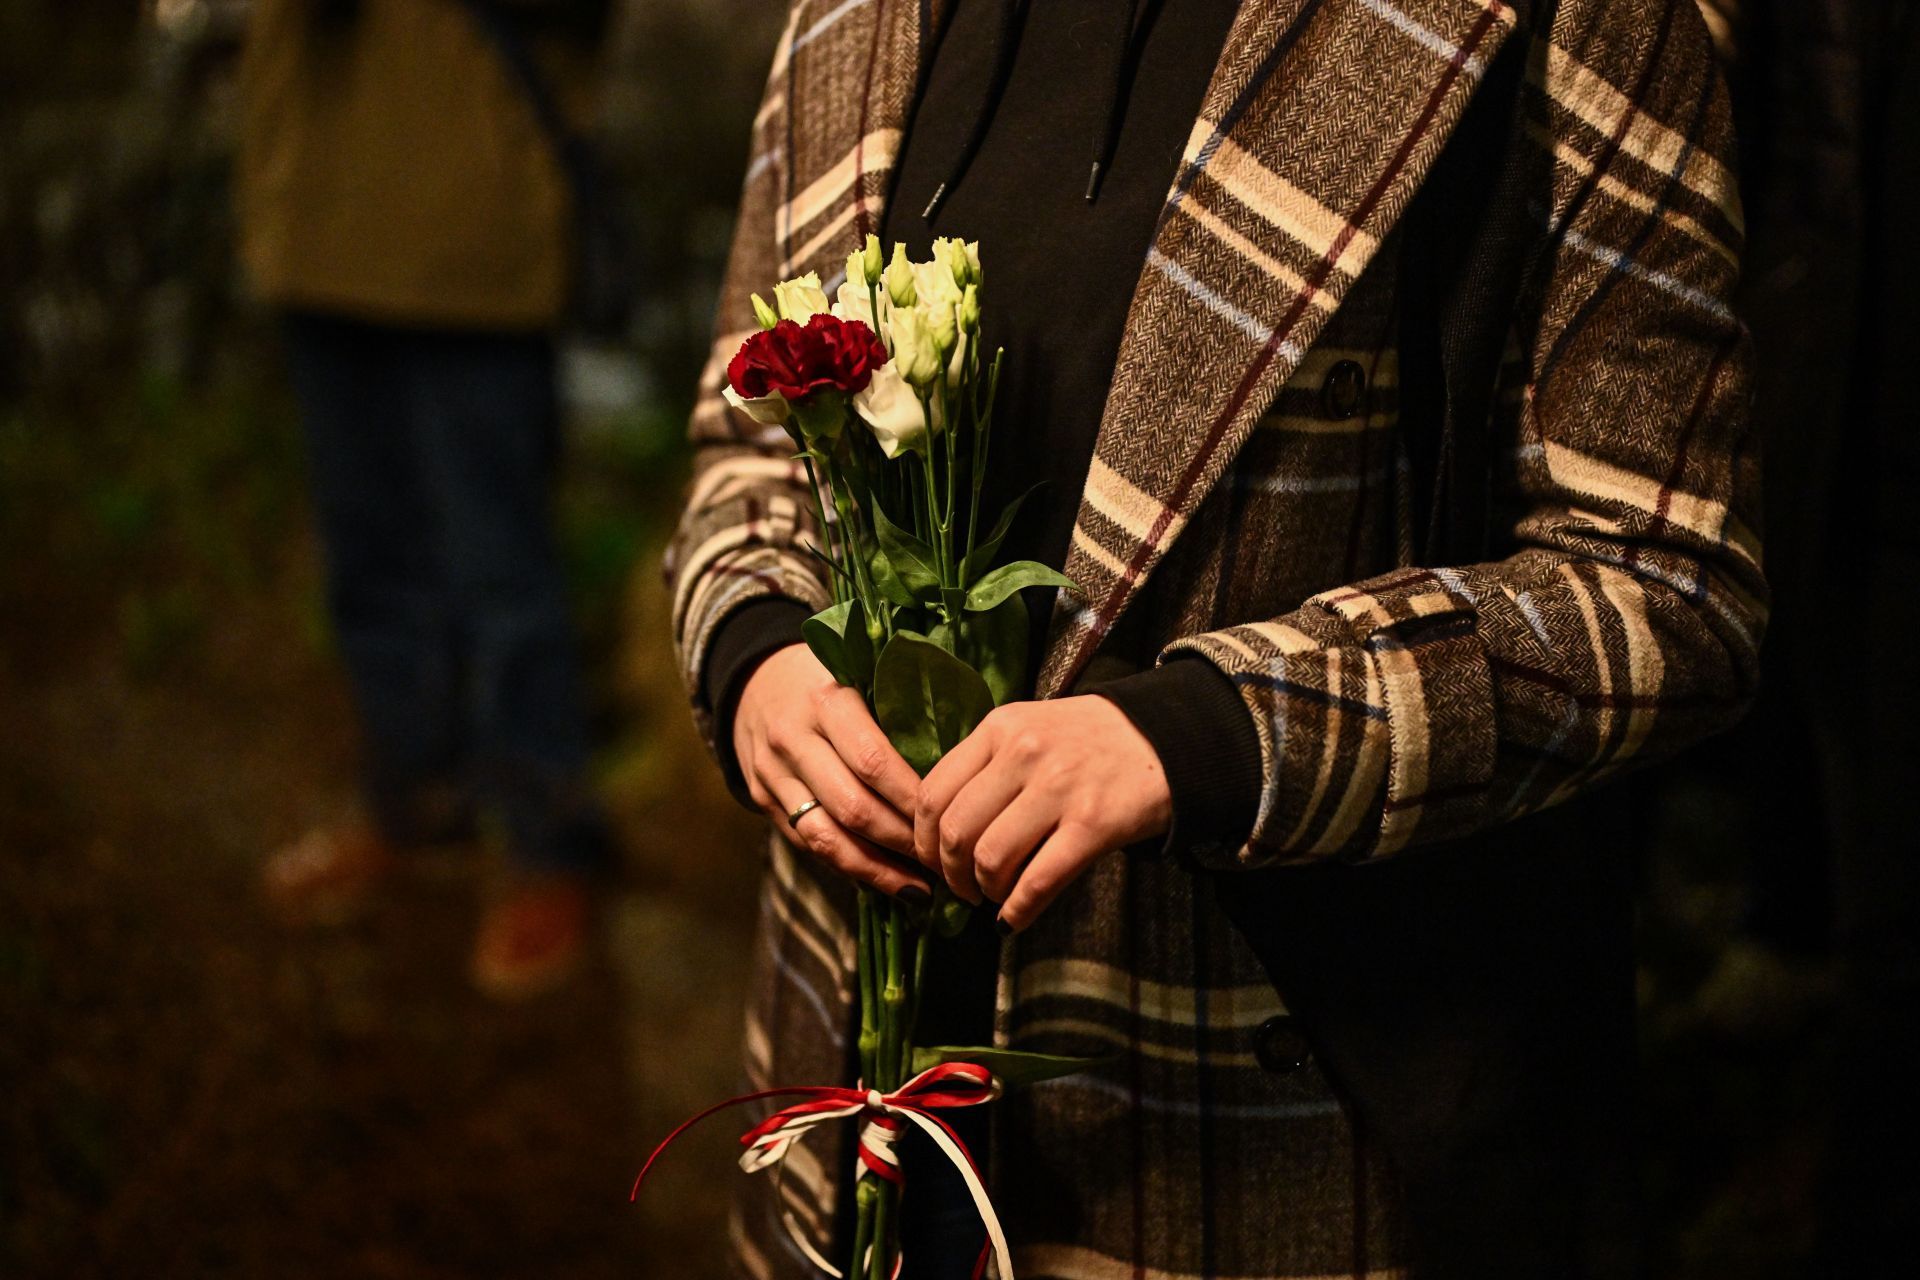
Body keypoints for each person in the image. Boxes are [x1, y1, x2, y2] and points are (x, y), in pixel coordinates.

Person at [666, 0, 1761, 1275]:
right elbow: (746, 446)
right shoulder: (851, 21)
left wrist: (1214, 733)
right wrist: (753, 646)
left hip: (1276, 1100)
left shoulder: (1578, 21)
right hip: (861, 1067)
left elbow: (1669, 581)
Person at [235, 0, 612, 999]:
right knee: (368, 555)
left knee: (503, 566)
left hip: (471, 219)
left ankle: (547, 839)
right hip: (311, 205)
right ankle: (412, 799)